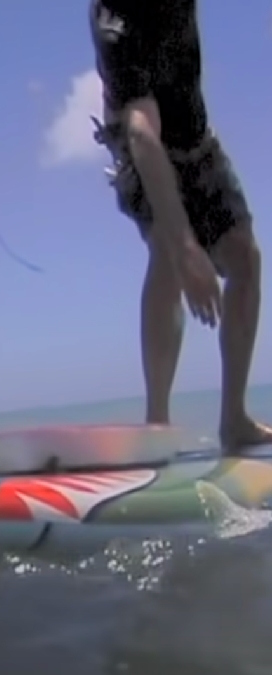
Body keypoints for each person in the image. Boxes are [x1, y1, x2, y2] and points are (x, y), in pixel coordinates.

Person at [89, 0, 272, 450]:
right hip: (142, 154)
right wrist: (186, 245)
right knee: (168, 256)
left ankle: (234, 420)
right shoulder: (115, 19)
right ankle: (157, 424)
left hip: (199, 145)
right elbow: (141, 133)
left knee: (245, 258)